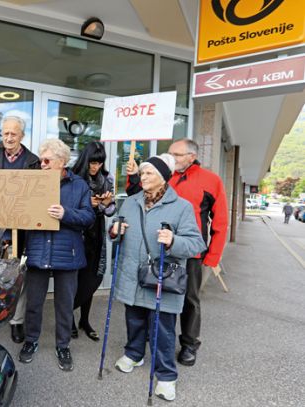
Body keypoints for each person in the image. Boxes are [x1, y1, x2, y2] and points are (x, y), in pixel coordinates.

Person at [111, 154, 206, 402]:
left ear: (163, 178)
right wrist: (114, 230)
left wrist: (174, 240)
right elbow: (114, 226)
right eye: (142, 173)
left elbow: (197, 243)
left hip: (161, 277)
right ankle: (133, 353)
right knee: (134, 319)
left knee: (162, 330)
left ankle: (166, 376)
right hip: (133, 274)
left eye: (149, 173)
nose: (143, 177)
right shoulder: (130, 202)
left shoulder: (181, 207)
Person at [126, 139, 228, 366]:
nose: (170, 157)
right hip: (156, 250)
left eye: (177, 154)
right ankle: (148, 340)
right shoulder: (163, 175)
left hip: (189, 254)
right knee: (152, 295)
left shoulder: (211, 180)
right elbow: (136, 197)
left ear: (192, 156)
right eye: (169, 153)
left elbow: (220, 222)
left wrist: (212, 257)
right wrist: (134, 176)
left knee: (189, 299)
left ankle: (190, 343)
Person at [18, 139, 95, 372]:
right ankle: (31, 341)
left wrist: (65, 213)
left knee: (64, 305)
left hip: (67, 253)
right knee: (34, 303)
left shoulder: (79, 185)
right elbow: (20, 212)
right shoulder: (32, 184)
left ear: (62, 162)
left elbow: (88, 218)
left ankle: (63, 345)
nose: (41, 164)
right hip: (38, 250)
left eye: (47, 160)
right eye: (41, 160)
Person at [0, 115, 40, 344]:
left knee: (19, 276)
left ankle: (17, 321)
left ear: (22, 136)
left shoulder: (33, 162)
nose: (8, 137)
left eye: (13, 134)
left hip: (21, 227)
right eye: (5, 133)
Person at [70, 141, 115, 341]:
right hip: (76, 233)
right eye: (92, 162)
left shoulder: (107, 179)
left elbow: (112, 210)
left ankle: (84, 320)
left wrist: (105, 205)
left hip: (96, 234)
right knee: (73, 278)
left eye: (99, 163)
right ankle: (69, 317)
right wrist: (87, 204)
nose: (95, 166)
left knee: (91, 278)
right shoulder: (73, 177)